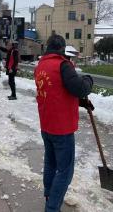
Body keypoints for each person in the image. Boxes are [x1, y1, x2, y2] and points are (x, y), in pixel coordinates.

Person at [34, 34, 94, 212]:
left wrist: (80, 102)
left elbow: (56, 91)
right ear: (62, 49)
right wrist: (88, 80)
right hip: (62, 128)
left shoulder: (41, 65)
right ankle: (52, 208)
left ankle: (48, 195)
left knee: (51, 164)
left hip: (46, 125)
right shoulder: (63, 65)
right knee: (65, 172)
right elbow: (80, 88)